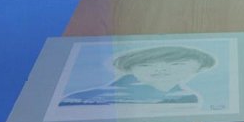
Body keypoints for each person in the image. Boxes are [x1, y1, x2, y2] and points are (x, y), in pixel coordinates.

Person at [59, 44, 217, 105]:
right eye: (146, 65)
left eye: (177, 64)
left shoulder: (188, 97)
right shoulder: (88, 98)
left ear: (199, 68)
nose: (161, 70)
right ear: (130, 69)